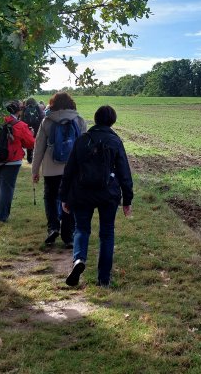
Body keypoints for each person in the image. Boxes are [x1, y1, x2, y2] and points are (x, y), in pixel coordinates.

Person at [60, 105, 133, 287]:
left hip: (81, 193)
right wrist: (127, 200)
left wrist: (64, 196)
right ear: (112, 121)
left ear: (96, 119)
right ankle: (104, 279)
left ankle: (79, 259)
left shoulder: (82, 140)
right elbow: (124, 173)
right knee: (107, 233)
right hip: (108, 194)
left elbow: (69, 170)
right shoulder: (115, 142)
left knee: (81, 229)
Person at [31, 92, 86, 246]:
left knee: (50, 197)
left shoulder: (47, 121)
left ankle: (53, 227)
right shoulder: (79, 120)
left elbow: (39, 148)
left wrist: (35, 170)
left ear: (53, 104)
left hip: (51, 168)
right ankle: (68, 236)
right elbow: (84, 147)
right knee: (69, 199)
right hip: (72, 168)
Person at [20, 96, 45, 163]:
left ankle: (29, 158)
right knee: (37, 143)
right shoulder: (38, 108)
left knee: (29, 142)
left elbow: (21, 119)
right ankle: (36, 158)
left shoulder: (25, 109)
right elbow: (42, 117)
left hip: (27, 128)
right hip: (37, 128)